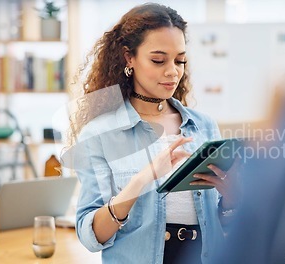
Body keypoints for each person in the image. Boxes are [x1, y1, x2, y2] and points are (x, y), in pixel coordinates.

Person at [66, 3, 238, 264]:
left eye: (180, 60)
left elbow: (225, 225)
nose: (173, 71)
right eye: (158, 60)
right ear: (129, 58)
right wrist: (141, 181)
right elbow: (90, 236)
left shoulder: (204, 125)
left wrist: (231, 198)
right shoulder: (100, 134)